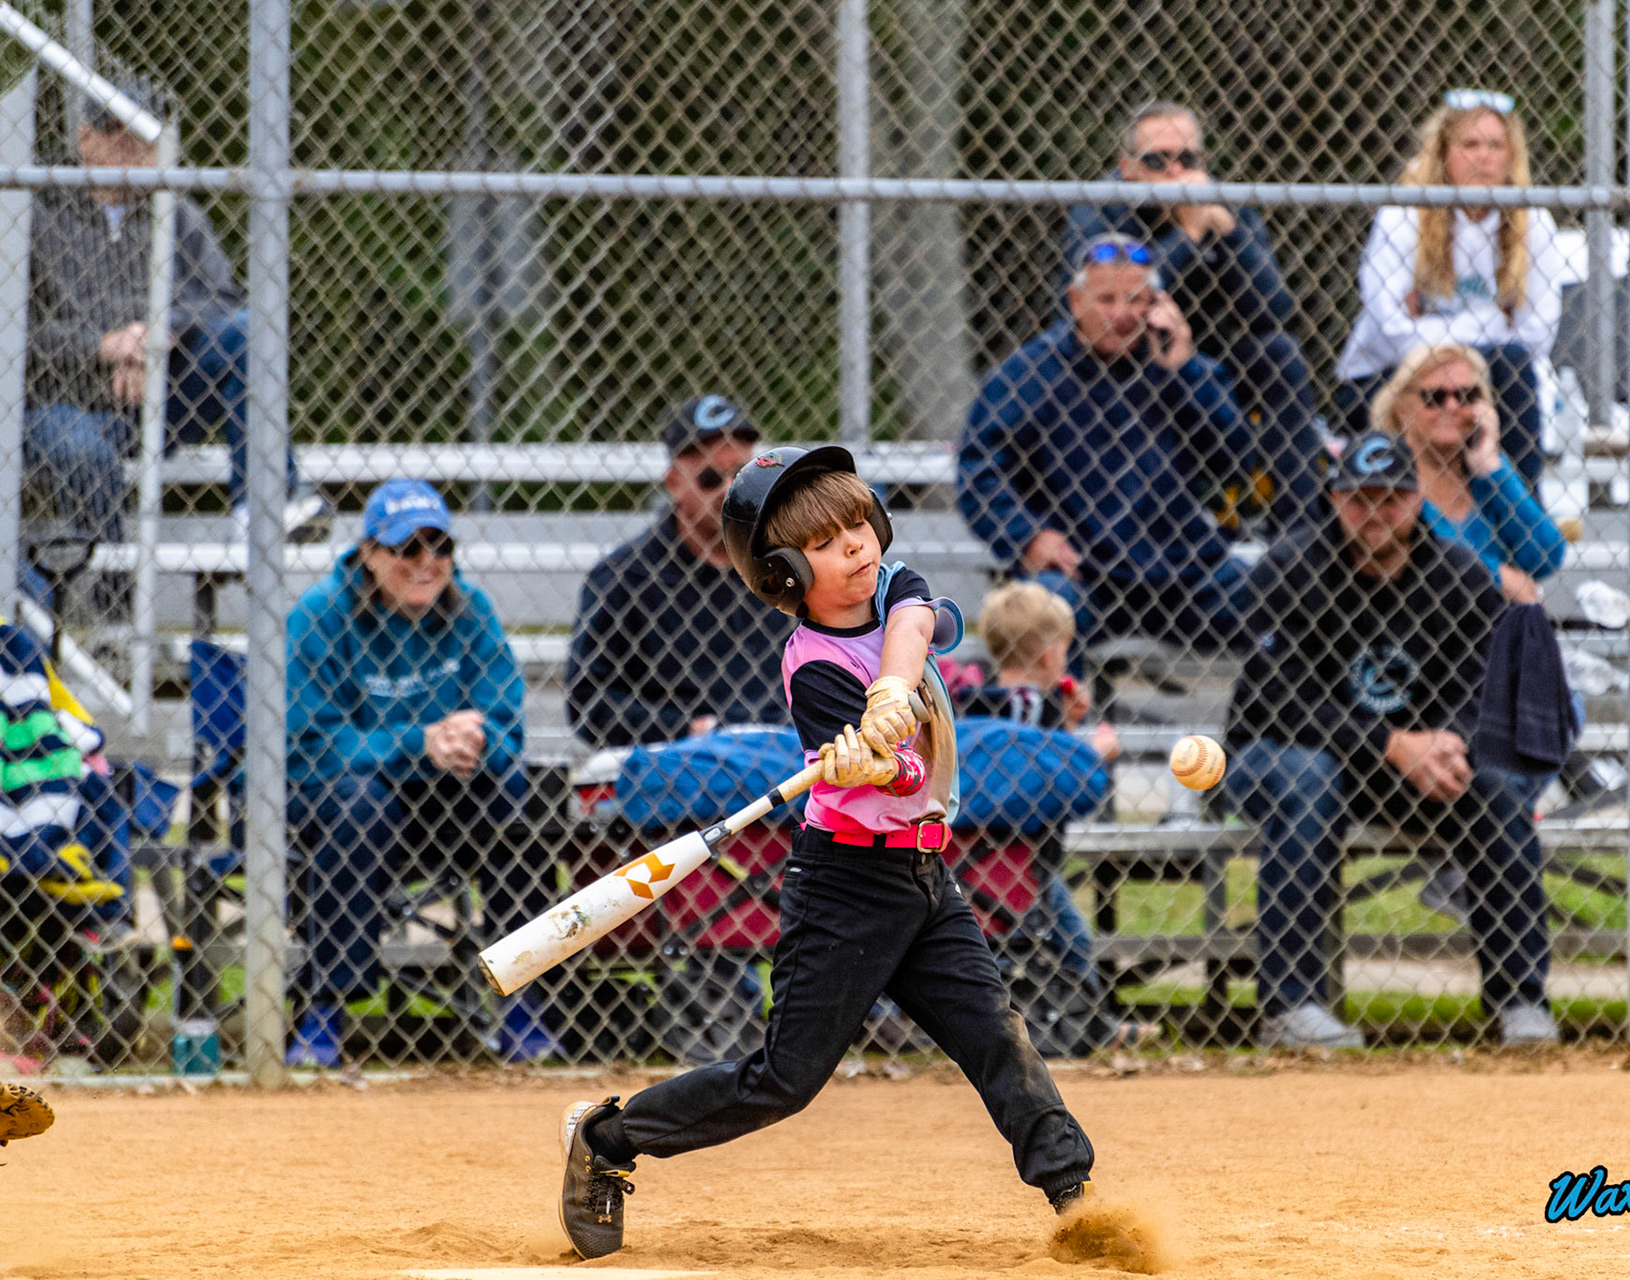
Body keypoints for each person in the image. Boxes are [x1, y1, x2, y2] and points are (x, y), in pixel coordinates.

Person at [556, 445, 1096, 1260]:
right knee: (783, 1080)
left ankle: (1075, 1199)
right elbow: (899, 773)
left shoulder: (893, 587)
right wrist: (871, 760)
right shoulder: (813, 670)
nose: (853, 546)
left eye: (857, 525)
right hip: (846, 886)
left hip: (926, 876)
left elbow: (917, 620)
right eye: (822, 542)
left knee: (996, 1034)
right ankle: (608, 1139)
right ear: (783, 573)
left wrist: (892, 690)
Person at [1220, 430, 1555, 1051]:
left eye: (1390, 498)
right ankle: (1290, 1006)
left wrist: (1449, 742)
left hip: (1418, 765)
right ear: (1334, 499)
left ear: (1416, 500)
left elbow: (1489, 689)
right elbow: (1279, 702)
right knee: (1309, 777)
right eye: (1358, 498)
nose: (1374, 512)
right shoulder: (1291, 568)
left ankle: (1522, 1001)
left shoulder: (1459, 575)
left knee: (1495, 783)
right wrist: (1390, 742)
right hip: (1282, 753)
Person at [285, 478, 541, 1067]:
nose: (427, 561)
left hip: (442, 800)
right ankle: (325, 1010)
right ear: (369, 554)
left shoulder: (470, 609)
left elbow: (508, 725)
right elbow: (308, 747)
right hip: (336, 806)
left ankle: (525, 1001)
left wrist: (477, 741)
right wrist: (416, 742)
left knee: (512, 789)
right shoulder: (320, 615)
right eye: (407, 547)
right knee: (360, 800)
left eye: (440, 545)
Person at [27, 92, 320, 542]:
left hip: (162, 397)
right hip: (63, 402)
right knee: (82, 451)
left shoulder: (178, 213)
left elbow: (222, 300)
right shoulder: (37, 215)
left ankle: (263, 510)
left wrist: (155, 335)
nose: (132, 150)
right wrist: (104, 346)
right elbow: (19, 331)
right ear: (86, 140)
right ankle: (109, 579)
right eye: (118, 134)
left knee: (247, 332)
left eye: (145, 139)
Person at [958, 233, 1257, 650]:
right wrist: (1028, 536)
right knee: (1043, 610)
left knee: (1275, 596)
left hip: (1180, 573)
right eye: (1106, 299)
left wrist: (1184, 373)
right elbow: (979, 471)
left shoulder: (1182, 367)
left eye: (1136, 300)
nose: (1122, 314)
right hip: (1080, 573)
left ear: (1158, 304)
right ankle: (1055, 698)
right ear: (1075, 301)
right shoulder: (1030, 373)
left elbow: (1236, 461)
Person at [1062, 101, 1319, 525]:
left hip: (1212, 355)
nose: (1176, 172)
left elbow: (1273, 311)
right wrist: (1190, 233)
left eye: (1188, 159)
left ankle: (1299, 531)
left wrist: (1231, 234)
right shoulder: (1101, 206)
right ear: (1128, 168)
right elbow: (1110, 307)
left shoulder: (1221, 202)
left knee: (1281, 354)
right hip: (1132, 352)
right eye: (1157, 161)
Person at [952, 582, 1156, 1054]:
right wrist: (1092, 751)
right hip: (1026, 866)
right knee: (1073, 942)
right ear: (1048, 656)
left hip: (969, 863)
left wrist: (1064, 726)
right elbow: (1039, 772)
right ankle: (1093, 1026)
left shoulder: (973, 702)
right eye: (1064, 650)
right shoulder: (1033, 706)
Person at [1335, 90, 1568, 489]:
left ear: (1511, 156)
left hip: (1485, 378)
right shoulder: (1403, 215)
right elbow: (1392, 331)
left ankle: (1524, 510)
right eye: (1470, 144)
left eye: (1495, 145)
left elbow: (1537, 336)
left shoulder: (1534, 223)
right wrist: (1494, 320)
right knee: (1472, 375)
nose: (1484, 157)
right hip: (1386, 376)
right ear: (1444, 152)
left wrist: (1432, 330)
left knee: (1512, 366)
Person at [567, 394, 787, 748]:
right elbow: (588, 699)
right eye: (710, 478)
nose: (729, 489)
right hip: (676, 759)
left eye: (743, 474)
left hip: (787, 754)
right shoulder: (626, 576)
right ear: (674, 483)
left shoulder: (789, 564)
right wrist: (685, 728)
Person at [1372, 343, 1566, 604]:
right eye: (1435, 397)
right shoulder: (1385, 476)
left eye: (1466, 395)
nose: (1452, 406)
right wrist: (1496, 576)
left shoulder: (1488, 477)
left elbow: (1546, 556)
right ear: (1402, 407)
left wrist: (1492, 468)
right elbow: (1411, 559)